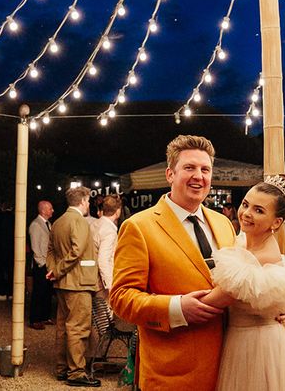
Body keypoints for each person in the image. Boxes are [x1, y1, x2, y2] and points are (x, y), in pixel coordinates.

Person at [110, 135, 237, 391]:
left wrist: (266, 307)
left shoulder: (224, 224)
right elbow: (121, 298)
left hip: (229, 365)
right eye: (189, 168)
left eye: (205, 169)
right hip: (172, 373)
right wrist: (176, 308)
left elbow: (238, 283)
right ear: (170, 174)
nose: (198, 176)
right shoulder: (138, 227)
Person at [199, 174, 285, 390]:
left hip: (254, 347)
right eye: (246, 204)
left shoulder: (257, 258)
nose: (246, 213)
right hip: (252, 338)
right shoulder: (245, 242)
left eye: (259, 210)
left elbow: (213, 301)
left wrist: (168, 306)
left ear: (276, 222)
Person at [46, 186, 99, 388]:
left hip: (62, 284)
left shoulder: (58, 222)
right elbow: (77, 251)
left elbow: (50, 250)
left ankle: (62, 368)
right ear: (83, 201)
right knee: (78, 328)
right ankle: (76, 372)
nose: (89, 205)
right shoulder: (80, 221)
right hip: (79, 283)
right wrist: (58, 270)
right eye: (88, 201)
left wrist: (52, 270)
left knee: (63, 327)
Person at [28, 200, 55, 330]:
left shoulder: (48, 223)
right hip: (41, 264)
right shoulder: (35, 225)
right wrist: (42, 263)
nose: (52, 211)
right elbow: (35, 247)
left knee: (47, 291)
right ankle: (35, 319)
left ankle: (44, 316)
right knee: (38, 291)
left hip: (48, 263)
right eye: (50, 209)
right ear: (43, 210)